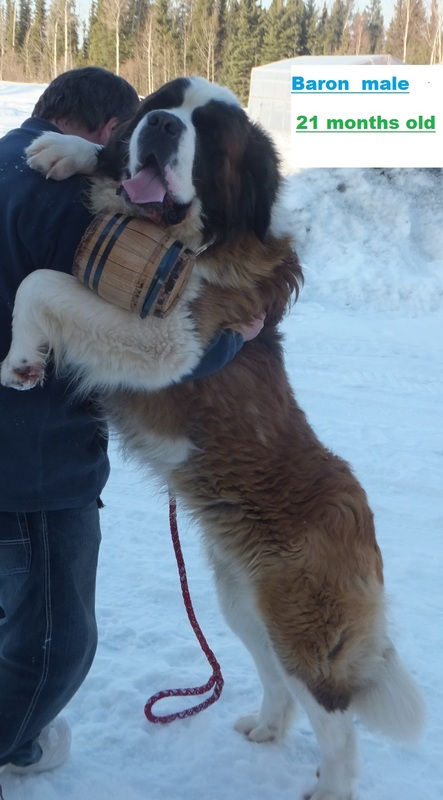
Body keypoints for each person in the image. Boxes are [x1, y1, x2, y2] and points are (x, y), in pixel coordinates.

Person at [0, 67, 262, 775]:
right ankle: (13, 745)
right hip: (31, 463)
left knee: (10, 600)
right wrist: (235, 336)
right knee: (55, 640)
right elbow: (151, 345)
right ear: (114, 132)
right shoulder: (64, 203)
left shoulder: (6, 158)